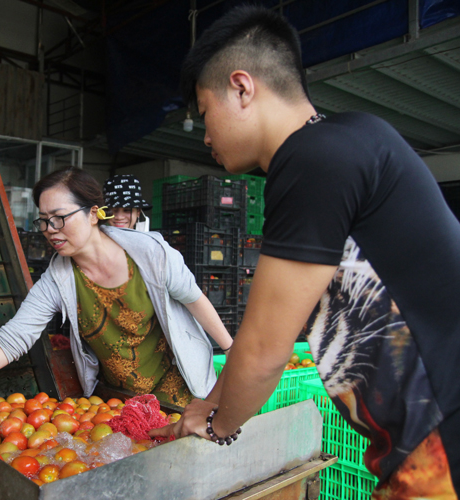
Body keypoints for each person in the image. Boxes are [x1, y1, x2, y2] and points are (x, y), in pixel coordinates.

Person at [149, 5, 460, 498]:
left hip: (442, 430)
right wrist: (208, 401)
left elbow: (265, 351)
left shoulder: (312, 159)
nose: (205, 136)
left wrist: (212, 429)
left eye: (205, 114)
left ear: (242, 87)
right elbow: (269, 329)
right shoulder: (346, 141)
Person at [0, 167, 233, 408]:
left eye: (59, 217)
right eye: (43, 220)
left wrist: (232, 351)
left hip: (178, 395)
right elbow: (10, 341)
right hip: (116, 401)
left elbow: (194, 299)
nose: (49, 229)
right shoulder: (58, 279)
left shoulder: (152, 255)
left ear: (92, 214)